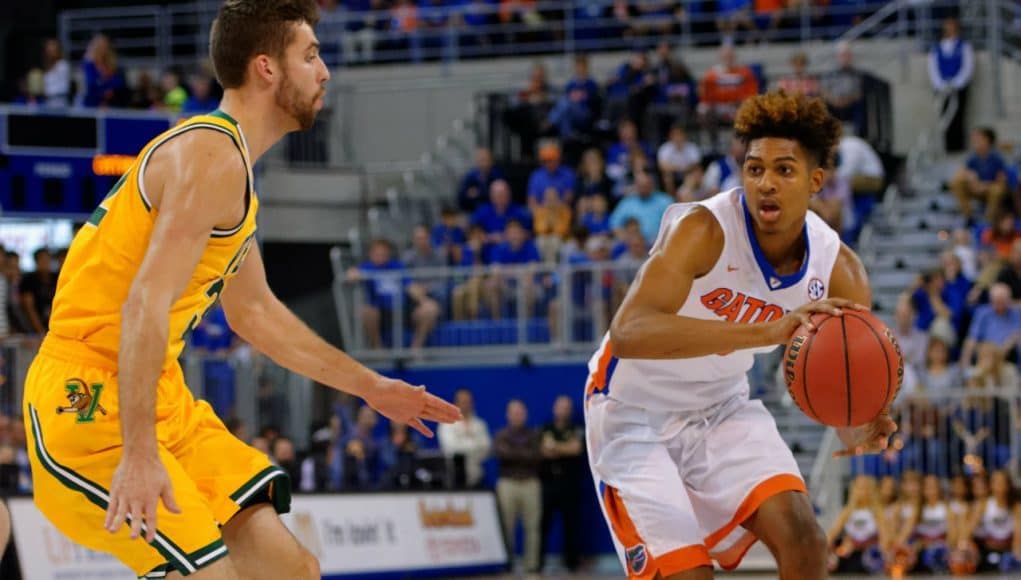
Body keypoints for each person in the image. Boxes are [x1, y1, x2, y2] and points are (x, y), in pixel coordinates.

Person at [21, 3, 461, 579]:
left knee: (292, 569)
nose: (324, 71)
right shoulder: (210, 156)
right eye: (310, 55)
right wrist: (138, 453)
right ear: (266, 69)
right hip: (88, 397)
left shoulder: (232, 168)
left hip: (160, 396)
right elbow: (143, 304)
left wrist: (372, 387)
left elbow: (255, 314)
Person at [585, 91, 895, 579]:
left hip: (720, 408)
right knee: (690, 574)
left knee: (806, 543)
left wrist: (862, 418)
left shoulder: (839, 270)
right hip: (633, 413)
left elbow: (841, 388)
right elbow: (628, 332)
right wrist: (764, 331)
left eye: (784, 171)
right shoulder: (703, 228)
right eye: (754, 169)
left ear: (816, 181)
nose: (766, 184)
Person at [539, 395, 584, 572]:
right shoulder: (546, 428)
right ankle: (538, 563)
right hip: (549, 484)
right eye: (560, 407)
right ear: (554, 408)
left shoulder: (577, 429)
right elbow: (543, 450)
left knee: (571, 525)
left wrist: (555, 447)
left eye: (566, 407)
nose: (563, 410)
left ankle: (572, 564)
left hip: (570, 485)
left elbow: (576, 449)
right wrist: (564, 448)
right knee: (543, 525)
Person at [928, 17, 974, 153]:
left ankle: (959, 147)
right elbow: (933, 68)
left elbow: (968, 67)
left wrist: (956, 83)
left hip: (959, 87)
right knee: (944, 118)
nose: (949, 29)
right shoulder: (937, 48)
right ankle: (948, 148)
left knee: (959, 117)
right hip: (942, 89)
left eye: (952, 26)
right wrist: (941, 85)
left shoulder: (964, 46)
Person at [950, 127, 1010, 224]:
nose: (974, 141)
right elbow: (961, 173)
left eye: (978, 138)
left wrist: (984, 186)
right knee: (957, 182)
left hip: (990, 189)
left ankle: (989, 219)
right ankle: (968, 215)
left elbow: (1001, 181)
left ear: (986, 140)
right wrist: (970, 177)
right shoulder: (972, 158)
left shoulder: (997, 158)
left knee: (997, 190)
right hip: (975, 187)